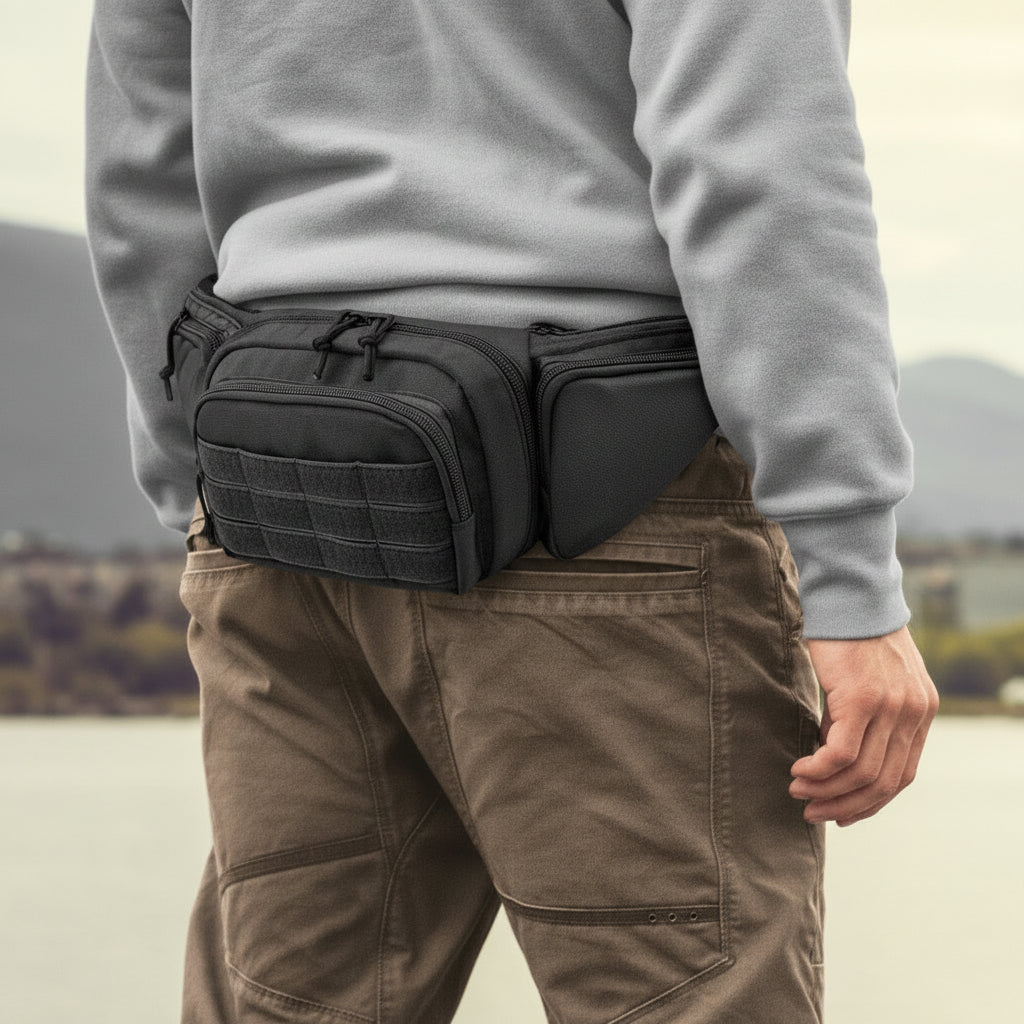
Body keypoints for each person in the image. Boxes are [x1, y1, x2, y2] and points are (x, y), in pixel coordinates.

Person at [85, 1, 939, 1021]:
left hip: (277, 494)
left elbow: (139, 163)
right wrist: (848, 571)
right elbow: (757, 168)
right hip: (599, 522)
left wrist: (201, 485)